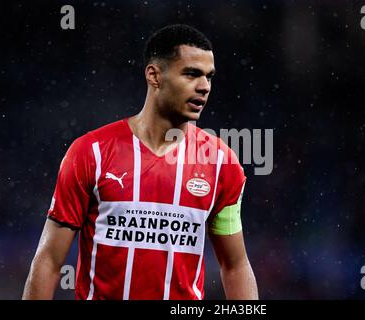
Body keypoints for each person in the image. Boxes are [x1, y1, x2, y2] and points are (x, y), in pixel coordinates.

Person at [22, 24, 258, 300]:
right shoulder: (91, 153)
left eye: (209, 76)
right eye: (191, 74)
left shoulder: (221, 164)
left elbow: (235, 265)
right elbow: (49, 260)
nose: (204, 86)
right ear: (154, 76)